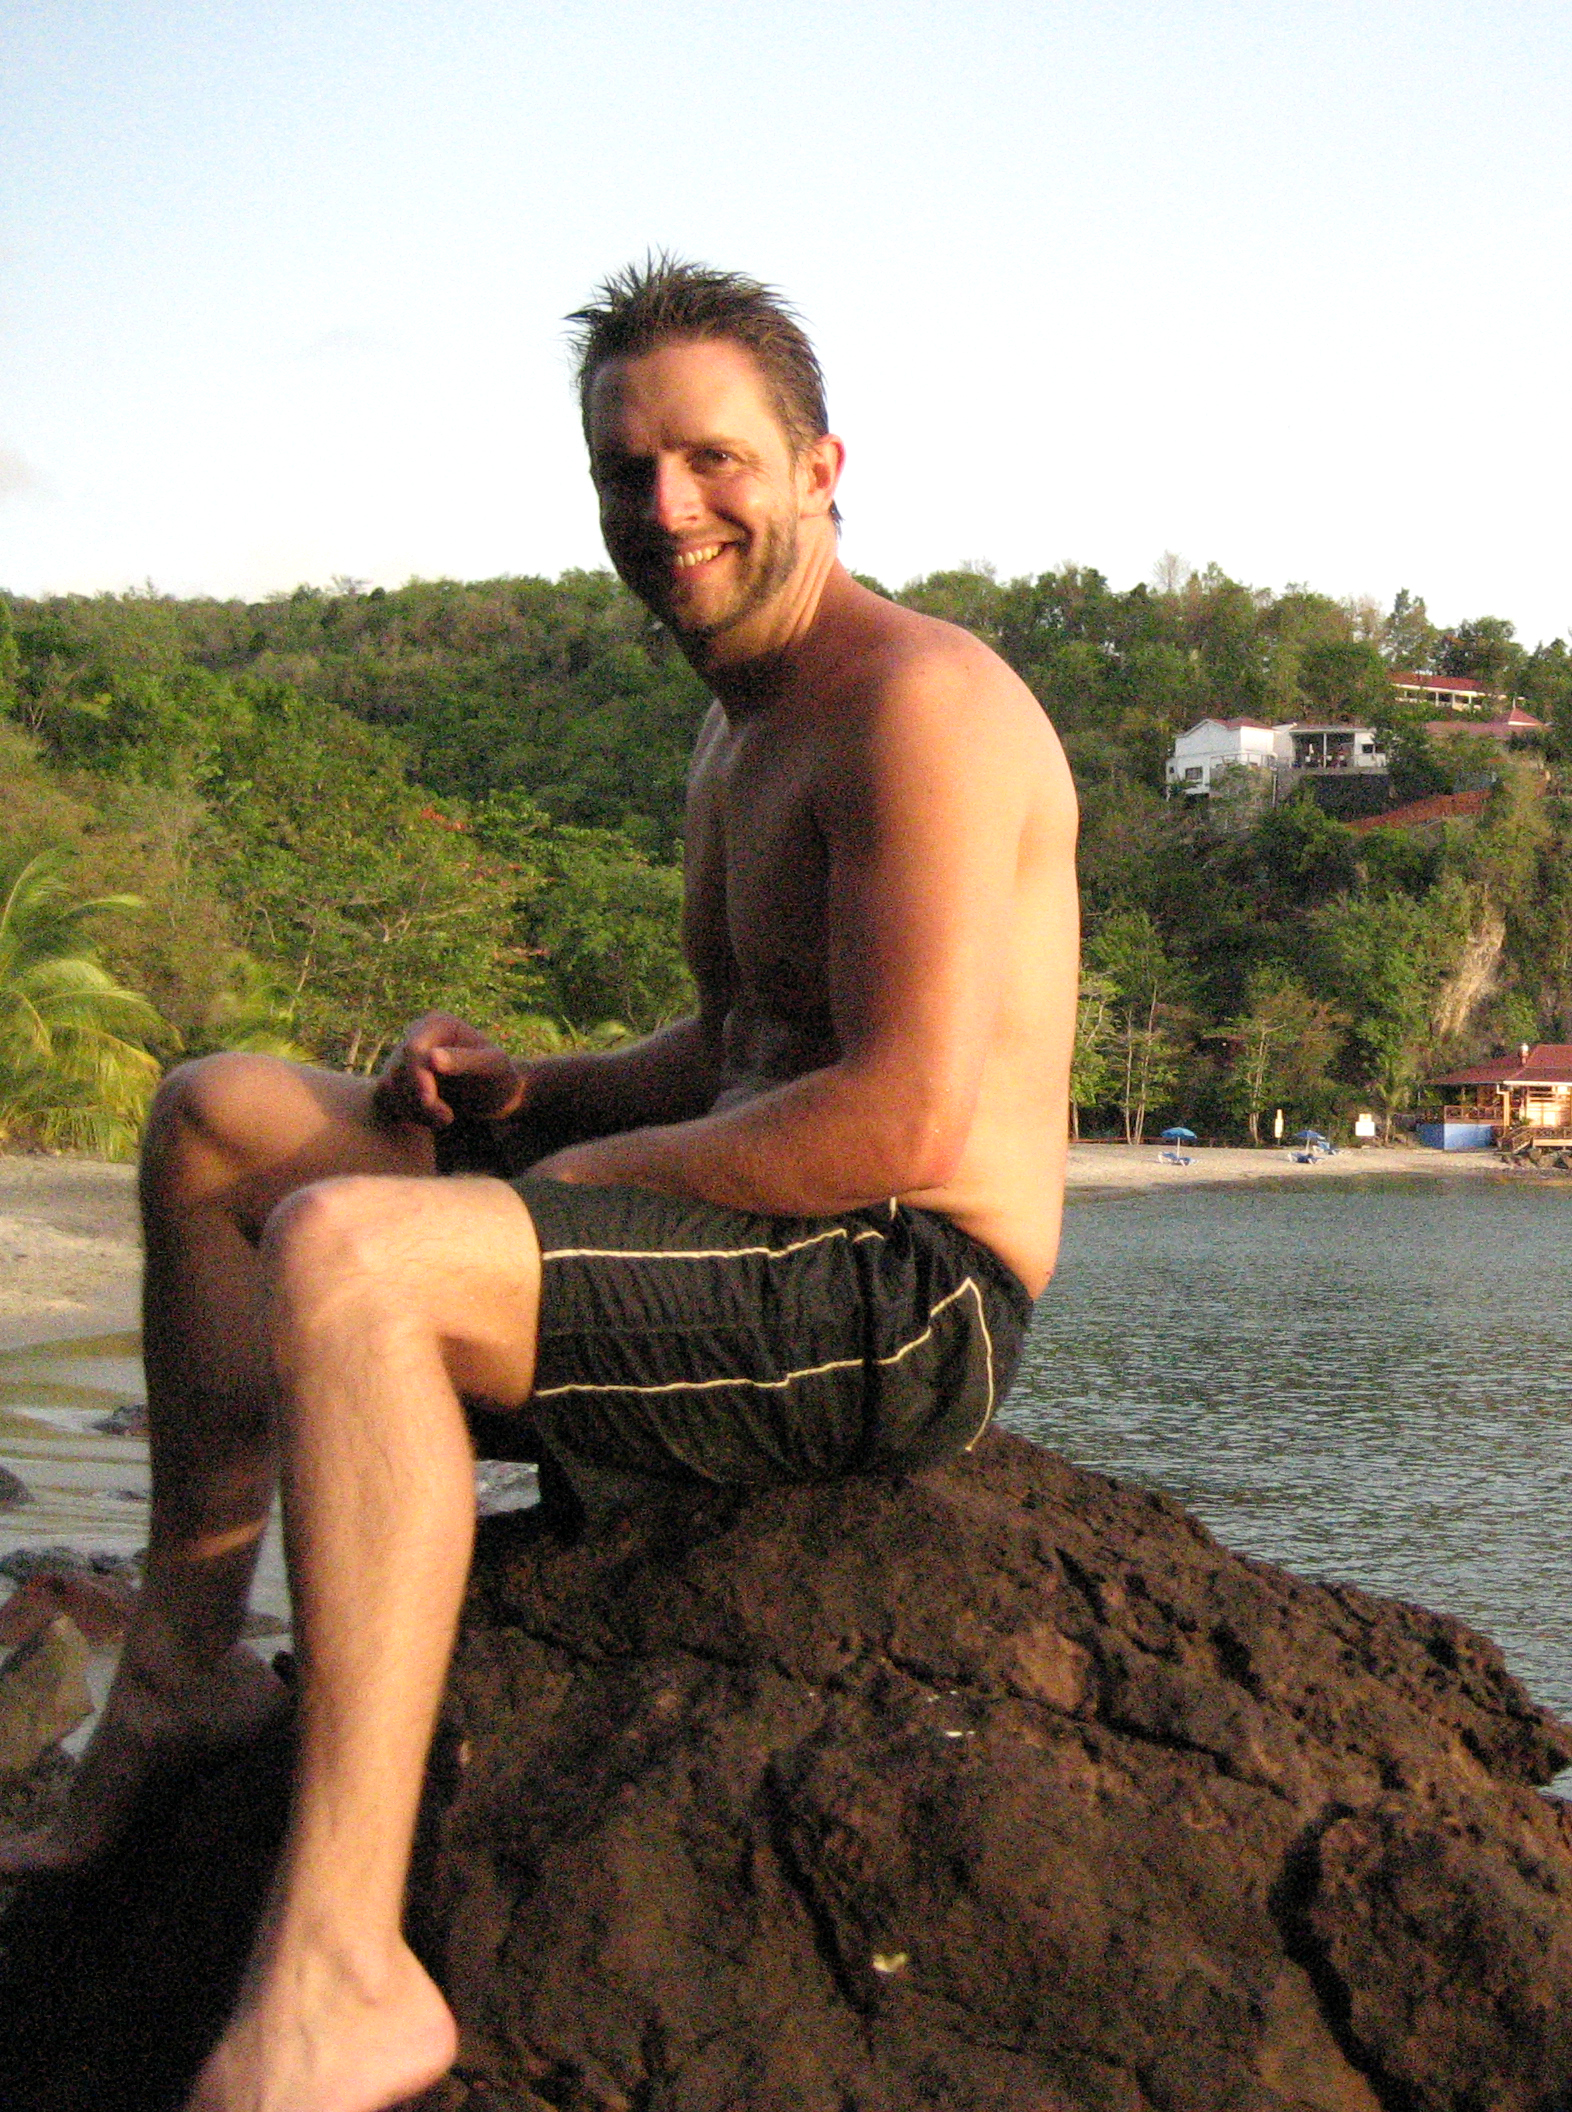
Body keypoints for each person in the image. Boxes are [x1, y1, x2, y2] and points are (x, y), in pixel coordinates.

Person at [0, 256, 1079, 2112]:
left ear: (822, 469)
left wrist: (564, 1181)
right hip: (761, 1228)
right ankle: (180, 1681)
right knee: (219, 1124)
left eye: (712, 458)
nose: (666, 506)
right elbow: (738, 1043)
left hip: (902, 1297)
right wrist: (530, 1092)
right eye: (623, 469)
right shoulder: (737, 723)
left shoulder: (920, 708)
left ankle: (343, 1969)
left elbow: (900, 1115)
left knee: (358, 1255)